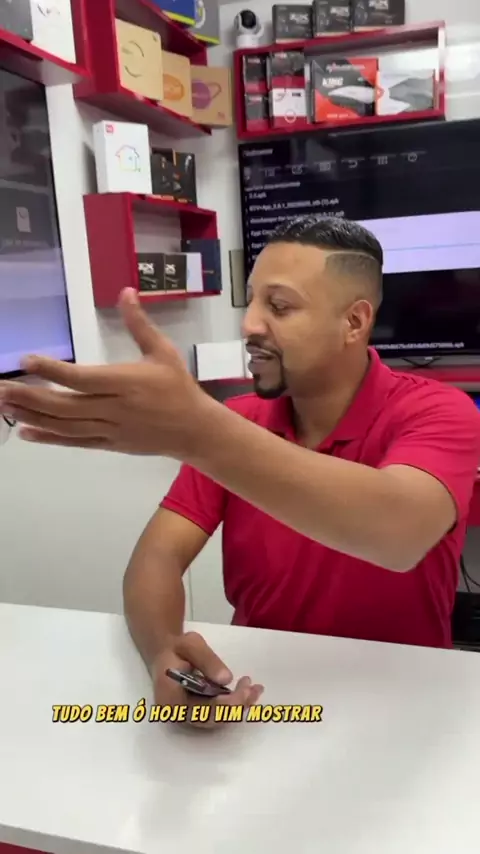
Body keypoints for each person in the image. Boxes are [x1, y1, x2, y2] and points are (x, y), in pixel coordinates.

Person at [1, 215, 479, 727]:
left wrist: (198, 433)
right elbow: (157, 558)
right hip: (260, 698)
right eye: (249, 302)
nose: (249, 324)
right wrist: (164, 653)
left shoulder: (438, 412)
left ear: (354, 322)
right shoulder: (237, 423)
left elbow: (400, 532)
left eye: (279, 306)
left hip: (403, 705)